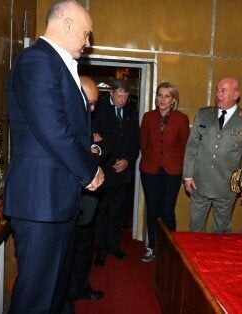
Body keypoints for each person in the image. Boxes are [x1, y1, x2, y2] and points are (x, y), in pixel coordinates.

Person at [3, 1, 104, 313]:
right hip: (40, 199)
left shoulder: (55, 64)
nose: (88, 43)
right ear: (68, 24)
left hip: (56, 199)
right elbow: (54, 129)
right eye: (86, 34)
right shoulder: (37, 60)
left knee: (56, 292)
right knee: (36, 298)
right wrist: (90, 171)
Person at [183, 76, 242, 234]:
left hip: (226, 186)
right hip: (199, 182)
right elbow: (191, 148)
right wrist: (188, 175)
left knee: (221, 231)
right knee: (195, 229)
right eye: (217, 90)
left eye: (223, 91)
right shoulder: (203, 114)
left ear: (236, 95)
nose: (218, 94)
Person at [61, 76, 108, 313]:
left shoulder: (91, 117)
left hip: (87, 201)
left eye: (94, 104)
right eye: (89, 102)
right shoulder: (60, 118)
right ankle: (66, 297)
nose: (92, 108)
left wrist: (95, 148)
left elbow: (102, 145)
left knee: (83, 250)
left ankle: (81, 287)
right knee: (64, 256)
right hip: (65, 202)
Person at [139, 82, 190, 261]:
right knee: (152, 209)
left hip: (172, 171)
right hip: (150, 169)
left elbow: (184, 146)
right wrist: (153, 158)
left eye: (167, 96)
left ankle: (170, 249)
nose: (162, 99)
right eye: (160, 95)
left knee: (168, 210)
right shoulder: (148, 117)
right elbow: (143, 142)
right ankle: (152, 246)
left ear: (173, 100)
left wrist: (170, 160)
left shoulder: (181, 119)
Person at [92, 78, 140, 266]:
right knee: (102, 211)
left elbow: (135, 141)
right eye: (119, 96)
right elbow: (97, 142)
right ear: (111, 93)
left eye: (125, 97)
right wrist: (113, 161)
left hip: (123, 171)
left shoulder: (130, 111)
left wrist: (127, 161)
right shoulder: (98, 110)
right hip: (105, 169)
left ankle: (114, 245)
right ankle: (101, 250)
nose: (122, 100)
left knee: (117, 212)